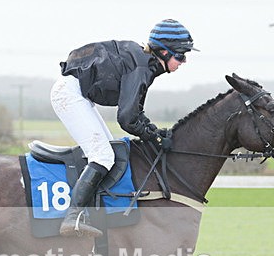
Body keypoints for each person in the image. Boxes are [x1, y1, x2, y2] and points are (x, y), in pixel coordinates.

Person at [51, 19, 198, 238]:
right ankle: (73, 217)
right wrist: (154, 137)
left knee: (111, 151)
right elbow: (127, 119)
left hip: (78, 94)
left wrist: (154, 132)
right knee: (103, 155)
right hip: (70, 95)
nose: (184, 61)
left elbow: (134, 113)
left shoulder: (145, 63)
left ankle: (93, 213)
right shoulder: (142, 67)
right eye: (180, 55)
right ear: (164, 53)